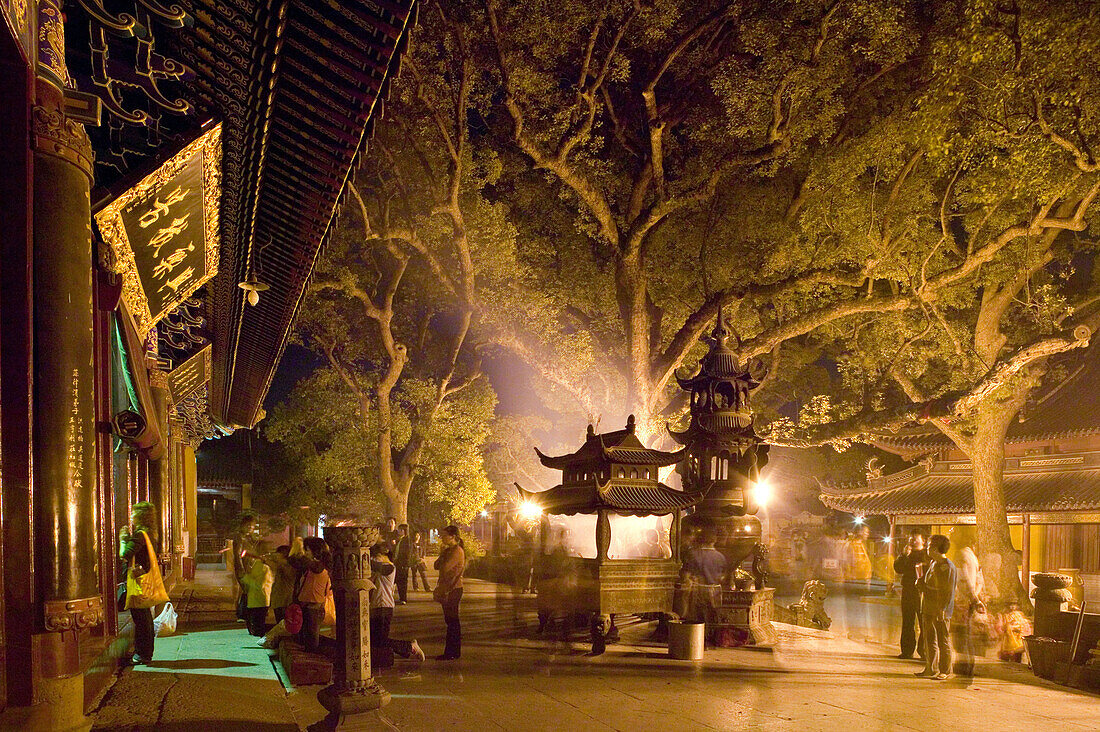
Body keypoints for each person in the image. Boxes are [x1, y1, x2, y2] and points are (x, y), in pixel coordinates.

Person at [119, 502, 162, 665]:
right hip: (145, 578)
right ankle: (146, 653)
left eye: (133, 513)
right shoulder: (151, 534)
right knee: (145, 618)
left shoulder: (140, 535)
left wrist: (123, 539)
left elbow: (125, 553)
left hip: (138, 581)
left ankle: (142, 654)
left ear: (140, 516)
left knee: (141, 618)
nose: (131, 516)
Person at [369, 544, 425, 662]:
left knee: (380, 639)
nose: (375, 558)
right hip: (377, 606)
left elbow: (373, 565)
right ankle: (387, 657)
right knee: (375, 639)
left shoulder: (389, 567)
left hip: (384, 606)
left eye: (377, 556)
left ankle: (410, 647)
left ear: (384, 556)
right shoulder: (382, 567)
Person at [916, 534, 957, 680]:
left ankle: (945, 670)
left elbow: (948, 591)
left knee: (942, 640)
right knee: (929, 639)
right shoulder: (934, 564)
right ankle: (930, 668)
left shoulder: (948, 567)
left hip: (940, 609)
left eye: (929, 546)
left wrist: (943, 609)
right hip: (928, 606)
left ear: (935, 548)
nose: (927, 548)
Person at [291, 537, 332, 652]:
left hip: (314, 606)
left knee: (311, 638)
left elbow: (297, 561)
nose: (305, 552)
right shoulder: (312, 565)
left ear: (314, 550)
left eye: (307, 549)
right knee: (306, 637)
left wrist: (298, 550)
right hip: (306, 605)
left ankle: (312, 662)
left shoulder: (319, 565)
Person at [952, 538, 985, 678]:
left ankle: (962, 666)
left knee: (960, 635)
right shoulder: (974, 558)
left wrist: (971, 597)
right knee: (966, 634)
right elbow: (979, 581)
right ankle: (969, 665)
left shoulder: (961, 555)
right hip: (970, 601)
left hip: (961, 601)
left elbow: (962, 579)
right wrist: (976, 598)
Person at [893, 529, 927, 659]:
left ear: (922, 540)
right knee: (907, 621)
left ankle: (924, 651)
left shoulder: (926, 554)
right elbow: (898, 568)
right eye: (910, 539)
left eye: (915, 539)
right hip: (908, 590)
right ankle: (907, 650)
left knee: (924, 621)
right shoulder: (907, 554)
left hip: (922, 592)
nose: (912, 541)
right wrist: (903, 555)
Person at [434, 525, 466, 660]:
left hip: (453, 589)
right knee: (450, 620)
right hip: (447, 588)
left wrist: (443, 557)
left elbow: (445, 567)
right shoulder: (448, 550)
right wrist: (442, 554)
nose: (442, 538)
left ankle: (452, 652)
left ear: (452, 537)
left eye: (444, 535)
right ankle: (451, 651)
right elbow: (436, 565)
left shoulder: (457, 551)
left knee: (452, 621)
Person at [241, 540, 274, 636]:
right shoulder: (258, 565)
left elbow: (259, 585)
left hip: (258, 601)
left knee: (258, 627)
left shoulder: (263, 567)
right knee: (257, 626)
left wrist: (245, 578)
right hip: (257, 601)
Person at [267, 545, 296, 624]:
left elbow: (274, 565)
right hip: (280, 600)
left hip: (285, 600)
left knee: (284, 624)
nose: (276, 555)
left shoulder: (288, 566)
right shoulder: (282, 566)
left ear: (283, 554)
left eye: (278, 553)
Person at [393, 524, 412, 605]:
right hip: (398, 563)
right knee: (398, 581)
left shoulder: (406, 540)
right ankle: (400, 598)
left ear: (404, 531)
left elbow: (407, 553)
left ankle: (403, 598)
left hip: (403, 564)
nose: (398, 531)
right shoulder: (399, 540)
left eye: (400, 530)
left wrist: (405, 564)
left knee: (402, 582)